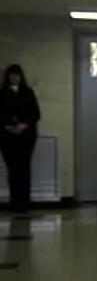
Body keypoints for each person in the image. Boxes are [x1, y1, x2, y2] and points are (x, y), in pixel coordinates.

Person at [0, 64, 41, 211]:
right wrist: (8, 126)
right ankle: (15, 202)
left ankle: (25, 202)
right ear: (7, 76)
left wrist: (23, 125)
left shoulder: (28, 92)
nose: (14, 77)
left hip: (26, 136)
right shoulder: (2, 93)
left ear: (20, 76)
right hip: (7, 136)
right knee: (13, 168)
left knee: (24, 167)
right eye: (11, 74)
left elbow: (36, 114)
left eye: (16, 74)